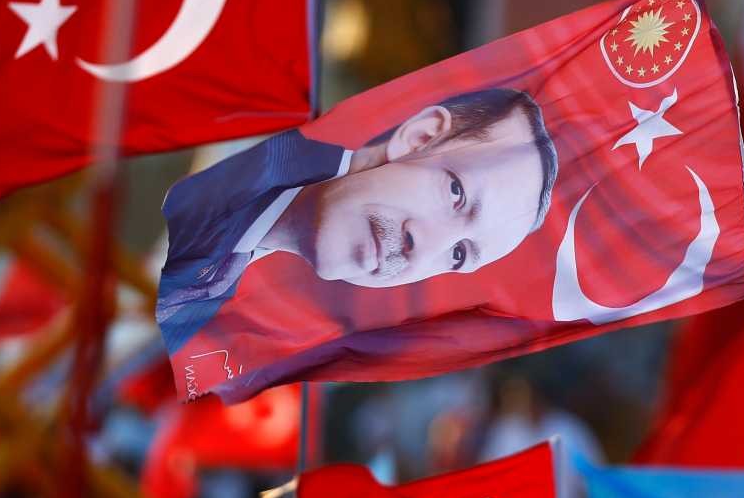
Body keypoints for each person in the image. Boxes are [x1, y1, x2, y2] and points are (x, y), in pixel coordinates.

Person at [156, 87, 559, 351]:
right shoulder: (232, 134)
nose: (423, 246)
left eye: (458, 254)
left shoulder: (222, 295)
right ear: (421, 137)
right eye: (457, 193)